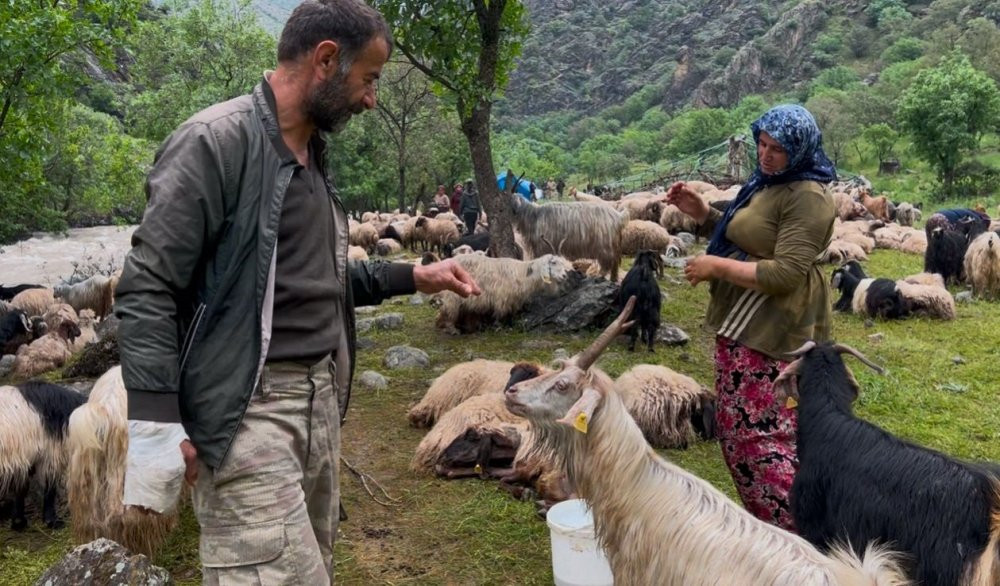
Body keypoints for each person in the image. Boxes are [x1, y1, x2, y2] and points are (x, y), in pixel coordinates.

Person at [113, 1, 481, 583]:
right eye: (369, 79)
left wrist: (414, 275)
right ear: (326, 60)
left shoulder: (309, 157)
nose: (371, 99)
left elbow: (312, 280)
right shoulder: (215, 143)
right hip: (248, 406)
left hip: (319, 401)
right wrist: (155, 422)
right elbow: (147, 285)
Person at [666, 104, 837, 531]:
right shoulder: (770, 183)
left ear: (799, 149)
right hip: (746, 321)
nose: (765, 154)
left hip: (774, 327)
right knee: (740, 429)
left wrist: (714, 267)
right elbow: (748, 236)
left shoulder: (809, 197)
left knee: (760, 438)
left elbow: (784, 273)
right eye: (761, 144)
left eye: (777, 148)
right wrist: (703, 213)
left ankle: (797, 537)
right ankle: (776, 529)